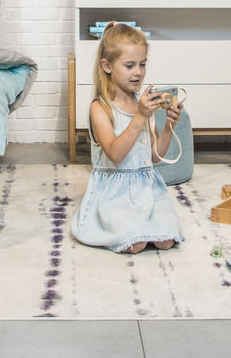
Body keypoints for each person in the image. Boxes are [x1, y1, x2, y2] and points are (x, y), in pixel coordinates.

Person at [71, 22, 184, 253]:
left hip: (146, 189)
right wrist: (140, 116)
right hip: (115, 193)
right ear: (107, 66)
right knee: (135, 243)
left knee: (167, 239)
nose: (138, 72)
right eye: (130, 65)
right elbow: (115, 154)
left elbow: (154, 157)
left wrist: (169, 127)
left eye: (142, 64)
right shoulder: (100, 108)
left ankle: (146, 224)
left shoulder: (140, 103)